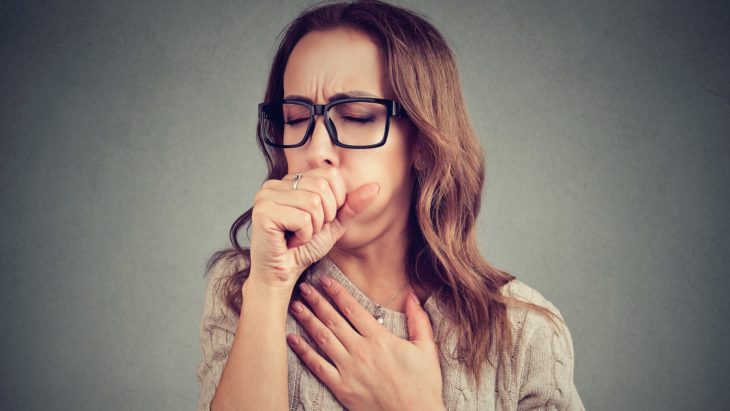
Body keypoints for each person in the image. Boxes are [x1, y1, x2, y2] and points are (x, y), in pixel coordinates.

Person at [196, 1, 585, 410]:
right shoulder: (243, 287)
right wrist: (269, 288)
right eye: (295, 117)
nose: (316, 150)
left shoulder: (524, 332)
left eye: (358, 116)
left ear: (422, 141)